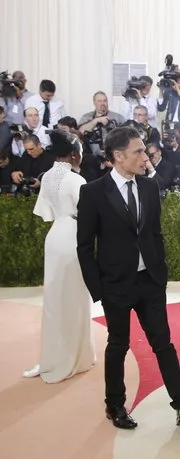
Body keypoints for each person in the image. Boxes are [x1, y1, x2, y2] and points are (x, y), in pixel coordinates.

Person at [76, 127, 180, 429]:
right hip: (115, 285)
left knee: (163, 343)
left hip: (150, 281)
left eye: (145, 151)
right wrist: (98, 289)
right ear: (118, 156)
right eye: (138, 152)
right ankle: (115, 406)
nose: (145, 156)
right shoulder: (93, 193)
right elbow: (85, 246)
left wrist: (161, 273)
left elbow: (155, 233)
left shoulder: (149, 187)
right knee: (118, 345)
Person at [23, 130, 96, 381]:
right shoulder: (77, 181)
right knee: (74, 298)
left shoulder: (48, 177)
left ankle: (54, 356)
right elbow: (88, 215)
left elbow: (47, 213)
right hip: (73, 239)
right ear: (75, 154)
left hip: (54, 238)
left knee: (55, 301)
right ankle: (77, 356)